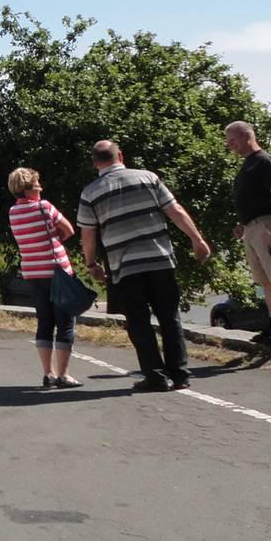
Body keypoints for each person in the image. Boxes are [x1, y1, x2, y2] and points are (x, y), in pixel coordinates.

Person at [77, 140, 213, 392]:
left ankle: (155, 376)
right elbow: (176, 211)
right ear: (121, 156)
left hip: (125, 266)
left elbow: (88, 235)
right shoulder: (148, 178)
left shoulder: (90, 193)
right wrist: (197, 239)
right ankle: (180, 374)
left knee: (138, 323)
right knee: (170, 318)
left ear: (95, 163)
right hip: (160, 259)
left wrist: (91, 263)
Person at [6, 167, 80, 388]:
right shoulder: (44, 206)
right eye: (37, 184)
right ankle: (64, 375)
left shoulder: (13, 212)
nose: (41, 187)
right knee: (65, 324)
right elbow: (68, 230)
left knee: (45, 322)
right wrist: (55, 239)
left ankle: (48, 373)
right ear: (29, 188)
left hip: (32, 272)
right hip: (56, 271)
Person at [224, 121, 271, 345]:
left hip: (267, 224)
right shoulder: (248, 164)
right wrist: (242, 223)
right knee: (266, 280)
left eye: (232, 139)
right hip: (251, 227)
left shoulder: (264, 161)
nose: (230, 145)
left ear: (247, 136)